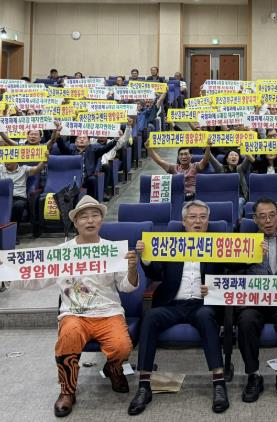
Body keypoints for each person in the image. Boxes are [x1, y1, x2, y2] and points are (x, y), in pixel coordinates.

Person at [5, 195, 139, 417]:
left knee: (122, 347)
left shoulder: (112, 250)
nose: (90, 220)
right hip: (74, 313)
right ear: (75, 222)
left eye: (95, 215)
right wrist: (7, 271)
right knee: (68, 337)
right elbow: (37, 279)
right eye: (83, 217)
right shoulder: (61, 252)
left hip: (108, 311)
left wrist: (132, 269)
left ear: (101, 220)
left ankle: (114, 370)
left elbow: (127, 287)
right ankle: (67, 390)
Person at [128, 200, 231, 415]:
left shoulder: (218, 243)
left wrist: (213, 288)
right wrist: (146, 258)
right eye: (192, 217)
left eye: (202, 217)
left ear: (208, 221)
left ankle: (219, 383)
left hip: (202, 304)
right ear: (184, 221)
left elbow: (233, 270)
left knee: (206, 317)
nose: (197, 221)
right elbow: (155, 273)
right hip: (172, 303)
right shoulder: (171, 242)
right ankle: (144, 386)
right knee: (150, 317)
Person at [238, 199, 277, 402]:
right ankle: (253, 376)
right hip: (255, 302)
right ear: (255, 220)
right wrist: (248, 258)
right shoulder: (244, 245)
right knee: (246, 320)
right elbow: (231, 271)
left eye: (272, 215)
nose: (268, 220)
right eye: (262, 216)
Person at [53, 122, 118, 200]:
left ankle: (90, 201)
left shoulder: (93, 151)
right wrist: (58, 135)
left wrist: (115, 140)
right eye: (79, 138)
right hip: (73, 177)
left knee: (92, 179)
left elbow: (105, 149)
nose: (82, 139)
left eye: (84, 138)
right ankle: (71, 192)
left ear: (89, 142)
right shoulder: (71, 151)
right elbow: (62, 147)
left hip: (86, 177)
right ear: (75, 142)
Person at [147, 142, 212, 201]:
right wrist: (149, 148)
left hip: (193, 197)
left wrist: (208, 148)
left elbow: (205, 160)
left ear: (191, 156)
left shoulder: (195, 166)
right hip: (178, 196)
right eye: (181, 154)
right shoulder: (174, 168)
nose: (183, 157)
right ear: (178, 157)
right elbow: (159, 161)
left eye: (186, 154)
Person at [0, 155, 48, 235]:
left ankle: (12, 233)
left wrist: (44, 160)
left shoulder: (24, 169)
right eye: (5, 159)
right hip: (4, 197)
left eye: (9, 159)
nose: (6, 162)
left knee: (18, 205)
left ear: (16, 160)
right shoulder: (1, 168)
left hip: (18, 198)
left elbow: (37, 169)